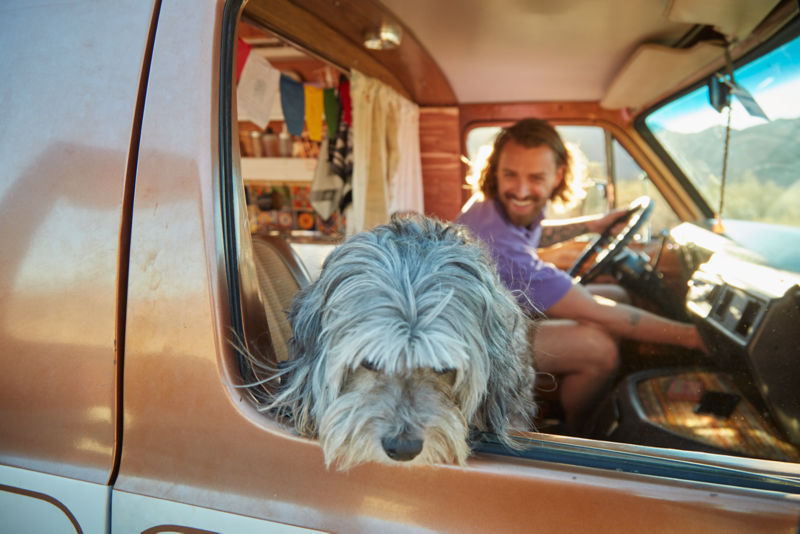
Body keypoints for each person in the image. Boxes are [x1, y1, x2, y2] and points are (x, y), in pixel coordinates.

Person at [456, 118, 705, 430]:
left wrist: (591, 225)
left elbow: (531, 234)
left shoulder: (498, 205)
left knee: (616, 295)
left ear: (557, 174)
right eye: (510, 175)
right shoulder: (503, 246)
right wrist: (694, 338)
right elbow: (601, 314)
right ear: (496, 170)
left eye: (535, 177)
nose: (520, 190)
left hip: (493, 317)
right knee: (598, 349)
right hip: (476, 348)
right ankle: (577, 432)